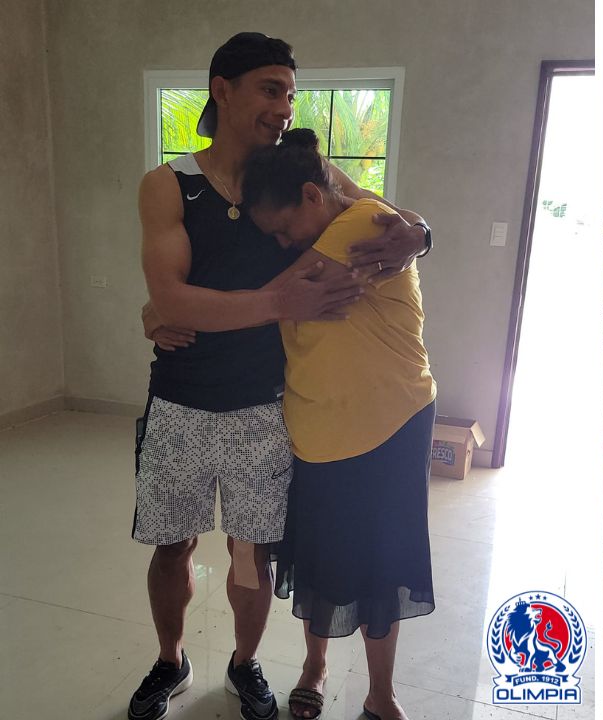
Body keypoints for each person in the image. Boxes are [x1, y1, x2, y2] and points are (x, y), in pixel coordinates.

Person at [130, 32, 430, 720]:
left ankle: (245, 662)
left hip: (267, 403)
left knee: (254, 553)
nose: (283, 108)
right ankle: (169, 658)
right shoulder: (169, 184)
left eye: (290, 94)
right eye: (271, 89)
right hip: (180, 394)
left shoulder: (306, 169)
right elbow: (170, 297)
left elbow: (384, 217)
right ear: (222, 89)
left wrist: (423, 231)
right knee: (170, 544)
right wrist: (231, 306)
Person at [240, 127, 436, 720]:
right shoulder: (338, 219)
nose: (279, 242)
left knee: (383, 560)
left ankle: (381, 695)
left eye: (282, 227)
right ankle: (315, 668)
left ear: (311, 195)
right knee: (321, 560)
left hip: (391, 423)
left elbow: (278, 295)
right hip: (317, 429)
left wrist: (177, 307)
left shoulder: (365, 225)